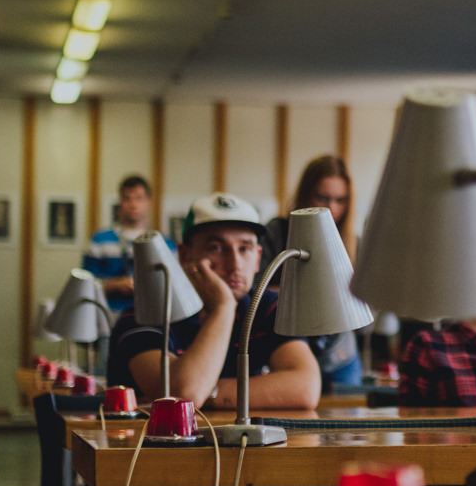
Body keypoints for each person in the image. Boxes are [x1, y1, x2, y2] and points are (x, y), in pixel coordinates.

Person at [107, 194, 320, 411]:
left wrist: (208, 390)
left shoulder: (266, 306)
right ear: (185, 255)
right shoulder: (143, 315)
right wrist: (223, 307)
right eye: (216, 248)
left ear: (258, 258)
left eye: (244, 248)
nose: (235, 264)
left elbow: (306, 387)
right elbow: (183, 397)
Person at [264, 156, 363, 388]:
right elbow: (257, 292)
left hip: (340, 357)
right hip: (288, 351)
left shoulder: (352, 242)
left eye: (341, 200)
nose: (333, 208)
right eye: (323, 197)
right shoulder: (278, 232)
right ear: (305, 194)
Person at [83, 175, 152, 313]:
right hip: (107, 318)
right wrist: (114, 285)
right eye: (127, 198)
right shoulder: (99, 241)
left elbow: (173, 287)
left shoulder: (162, 244)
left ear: (148, 202)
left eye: (138, 198)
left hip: (148, 319)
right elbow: (85, 286)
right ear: (120, 202)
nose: (133, 204)